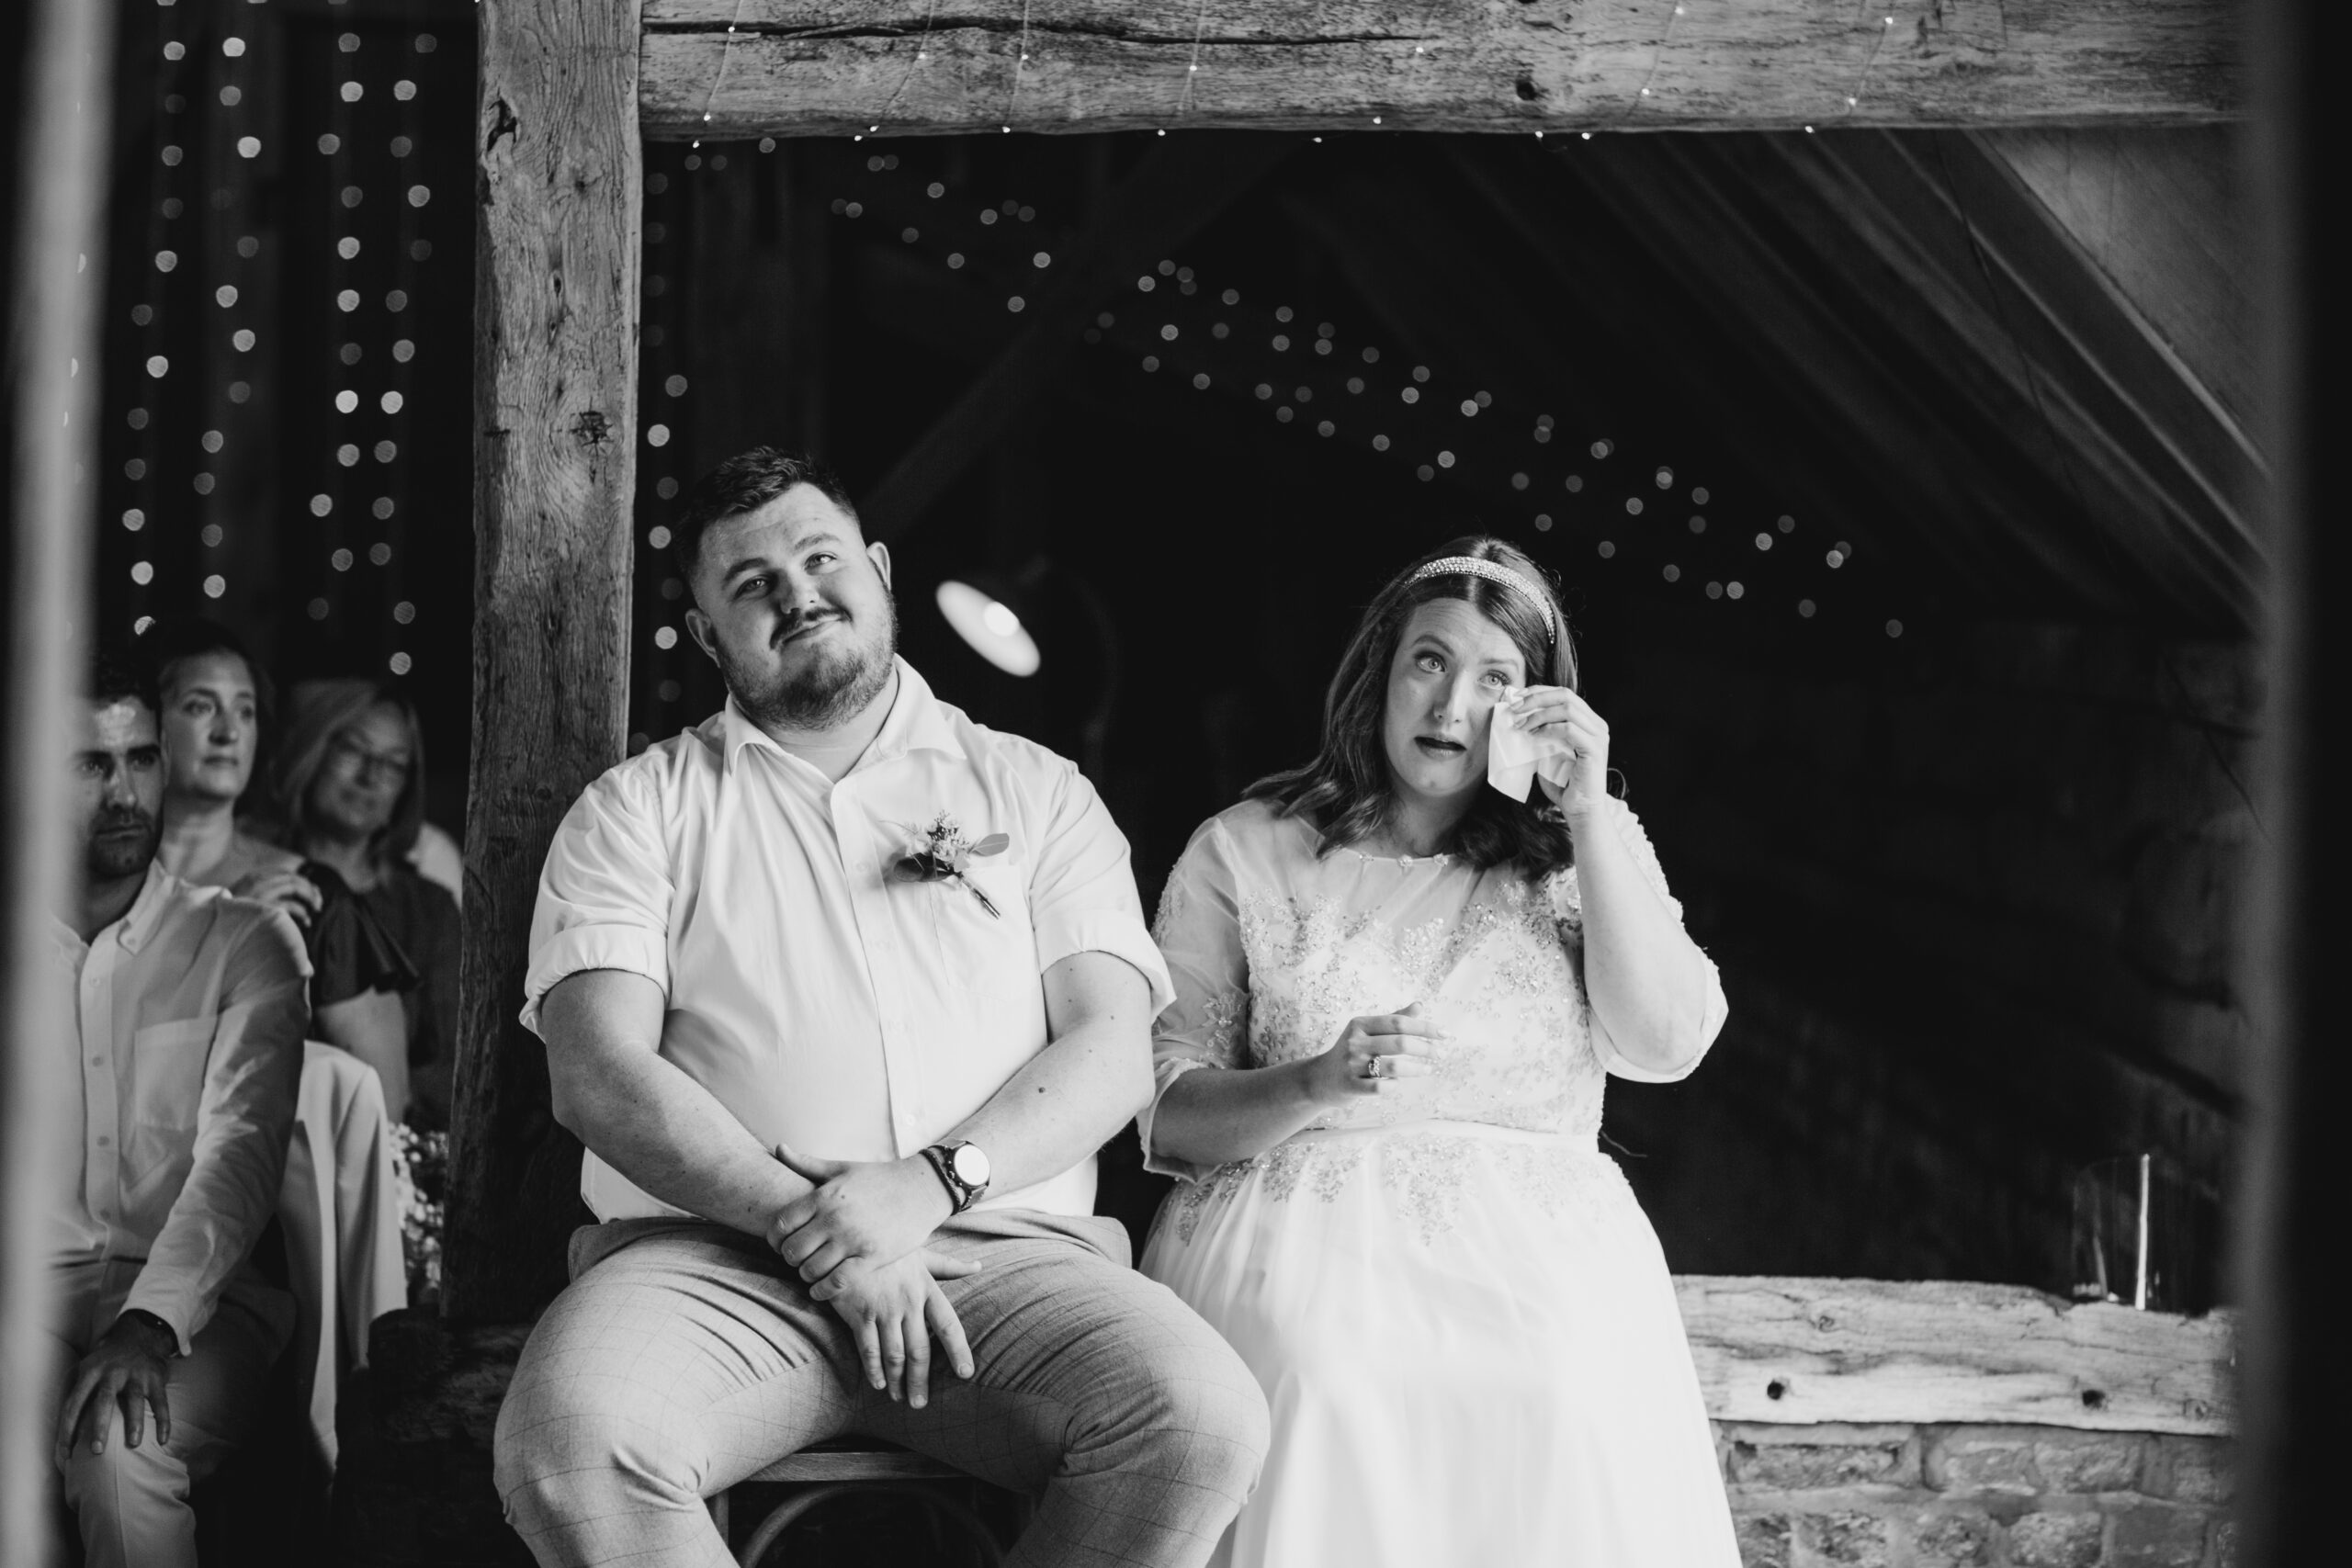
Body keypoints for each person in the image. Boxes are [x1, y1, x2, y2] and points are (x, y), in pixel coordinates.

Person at [492, 447, 1268, 1568]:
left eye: (819, 558)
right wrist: (815, 1226)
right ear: (709, 637)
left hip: (1008, 1261)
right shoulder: (637, 810)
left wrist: (927, 1189)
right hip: (712, 1265)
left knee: (1198, 1425)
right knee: (570, 1445)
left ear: (880, 570)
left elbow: (1111, 1050)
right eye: (751, 584)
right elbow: (598, 1070)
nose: (796, 592)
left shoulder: (1037, 791)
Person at [1138, 538, 1742, 1567]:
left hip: (1544, 1280)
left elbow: (1663, 1047)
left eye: (1494, 679)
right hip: (1302, 1259)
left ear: (1534, 704)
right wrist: (1315, 1082)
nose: (1451, 704)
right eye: (1429, 661)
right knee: (1326, 1374)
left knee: (1560, 1389)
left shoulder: (1583, 855)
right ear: (1380, 669)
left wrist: (1589, 811)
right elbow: (1162, 1110)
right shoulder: (1243, 848)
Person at [45, 653, 310, 1568]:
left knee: (119, 1450)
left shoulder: (246, 940)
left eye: (143, 760)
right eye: (90, 765)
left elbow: (239, 1157)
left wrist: (150, 1322)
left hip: (202, 1311)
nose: (126, 792)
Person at [144, 618, 417, 1121]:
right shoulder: (103, 888)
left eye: (245, 712)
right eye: (201, 707)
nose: (228, 732)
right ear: (149, 725)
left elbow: (385, 1109)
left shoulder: (312, 900)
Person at [272, 678, 461, 1128]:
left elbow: (452, 1069)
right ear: (313, 750)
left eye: (394, 765)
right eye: (354, 751)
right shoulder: (253, 876)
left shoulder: (429, 910)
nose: (371, 777)